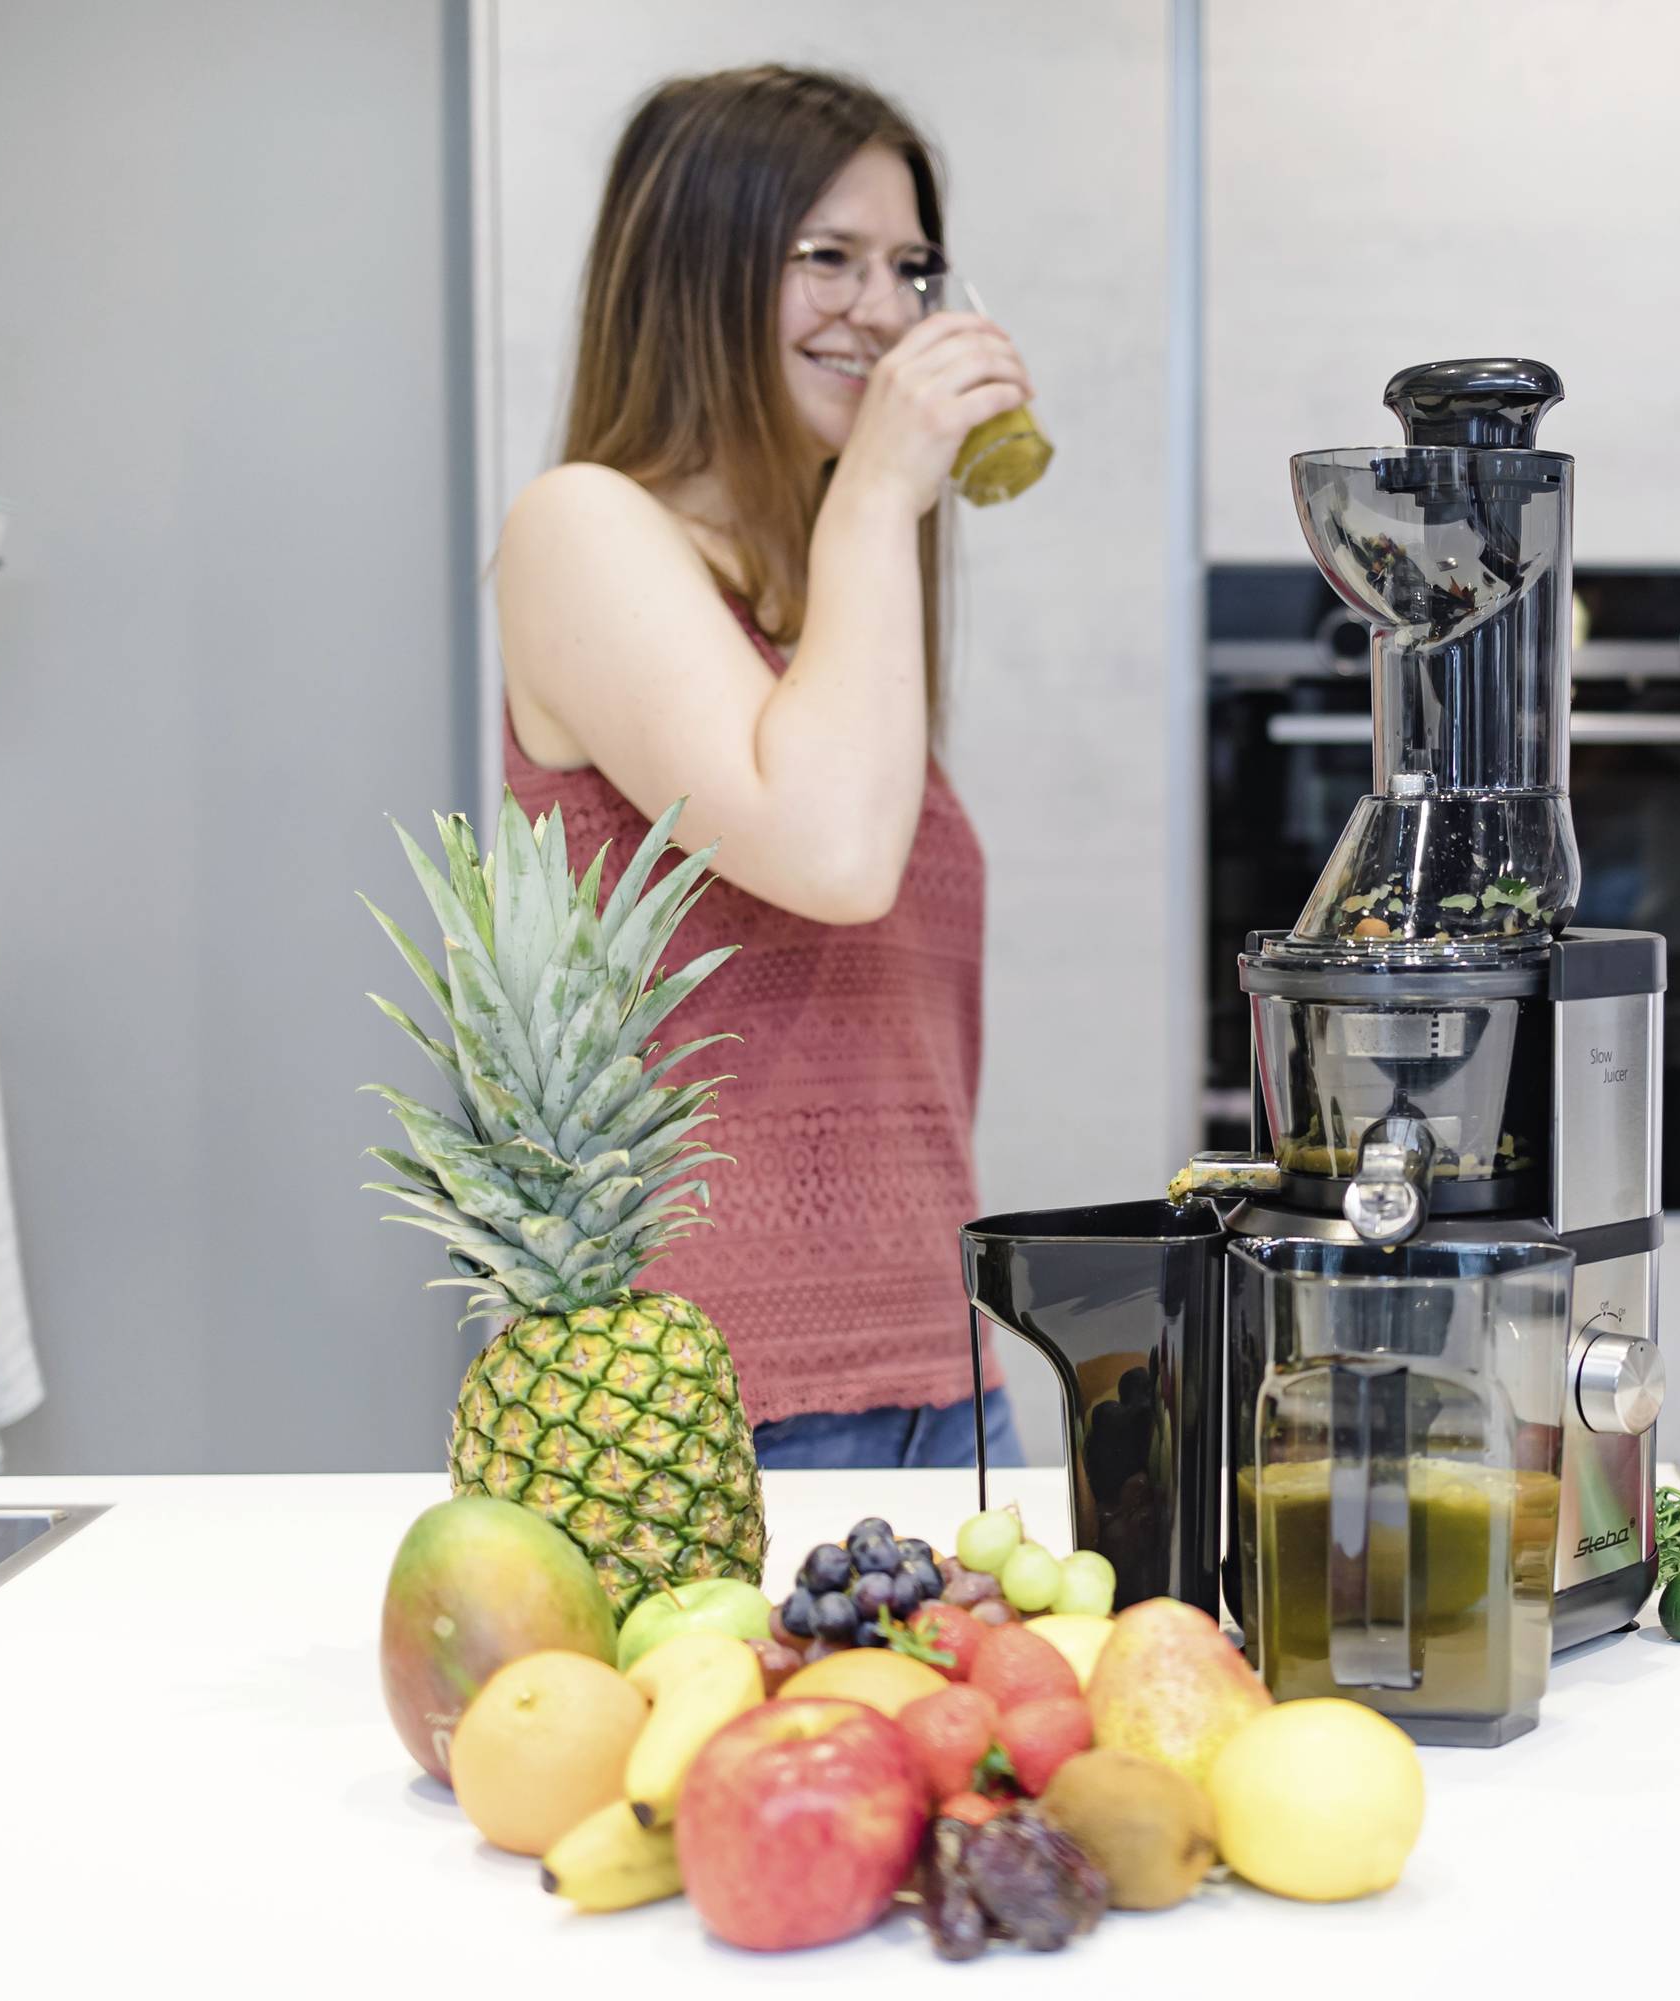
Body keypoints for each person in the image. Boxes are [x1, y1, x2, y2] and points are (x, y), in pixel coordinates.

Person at [494, 65, 1034, 1469]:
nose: (885, 308)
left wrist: (860, 525)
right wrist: (877, 496)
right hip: (714, 1399)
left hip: (943, 1367)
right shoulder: (585, 528)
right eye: (826, 258)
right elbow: (832, 857)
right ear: (697, 268)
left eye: (912, 266)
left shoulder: (824, 599)